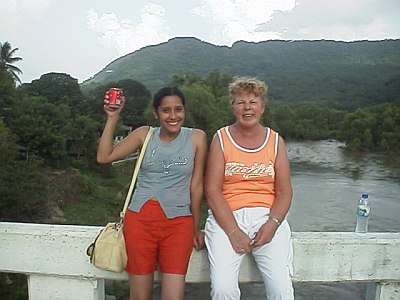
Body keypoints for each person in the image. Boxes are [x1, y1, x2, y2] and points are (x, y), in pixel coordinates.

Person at [97, 86, 207, 300]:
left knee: (173, 296)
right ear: (156, 113)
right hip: (140, 222)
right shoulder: (144, 134)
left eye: (179, 109)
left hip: (179, 225)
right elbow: (104, 157)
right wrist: (113, 117)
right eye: (166, 110)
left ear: (184, 111)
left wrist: (195, 228)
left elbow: (196, 186)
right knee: (140, 296)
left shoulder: (197, 138)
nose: (173, 116)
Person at [204, 77, 294, 300]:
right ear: (233, 107)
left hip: (268, 217)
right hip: (227, 218)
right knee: (223, 290)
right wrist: (234, 231)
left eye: (253, 102)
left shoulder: (275, 141)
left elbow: (284, 192)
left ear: (262, 107)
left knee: (281, 291)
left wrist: (272, 224)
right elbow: (212, 190)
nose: (247, 107)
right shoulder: (221, 138)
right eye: (241, 102)